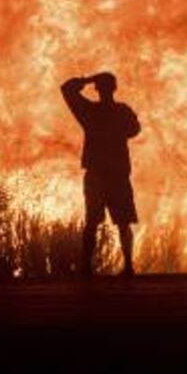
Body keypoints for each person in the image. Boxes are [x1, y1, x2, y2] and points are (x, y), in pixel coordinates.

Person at [60, 72, 140, 277]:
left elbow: (66, 88)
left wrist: (89, 80)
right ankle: (128, 267)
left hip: (98, 175)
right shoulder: (122, 111)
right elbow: (134, 129)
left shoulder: (89, 112)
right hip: (117, 174)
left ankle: (86, 268)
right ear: (115, 88)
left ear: (97, 89)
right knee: (123, 223)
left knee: (92, 222)